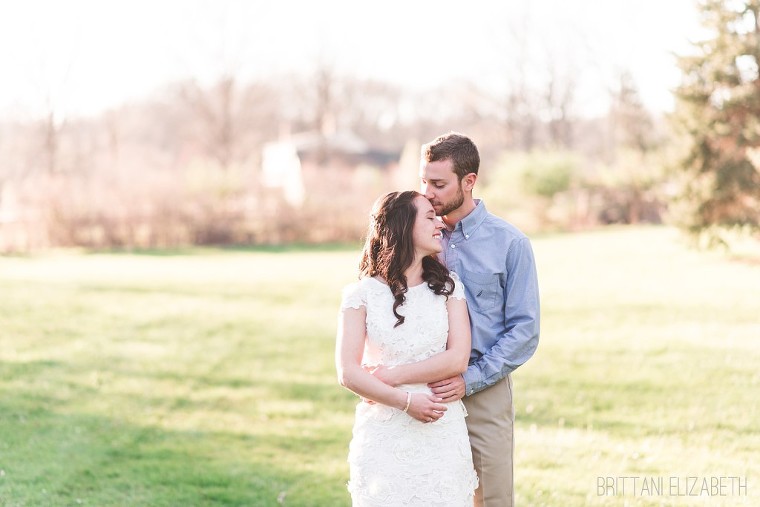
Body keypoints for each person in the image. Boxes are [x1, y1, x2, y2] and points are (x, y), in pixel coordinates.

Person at [418, 132, 540, 507]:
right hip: (423, 391)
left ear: (469, 181)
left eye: (438, 184)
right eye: (423, 181)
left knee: (491, 499)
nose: (427, 193)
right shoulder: (417, 235)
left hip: (484, 391)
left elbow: (525, 330)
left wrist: (469, 379)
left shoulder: (510, 244)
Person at [336, 190, 479, 506]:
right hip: (385, 433)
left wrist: (390, 376)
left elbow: (457, 358)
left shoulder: (449, 287)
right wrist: (405, 402)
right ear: (403, 226)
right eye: (429, 217)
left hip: (441, 431)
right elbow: (347, 372)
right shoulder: (360, 295)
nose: (439, 224)